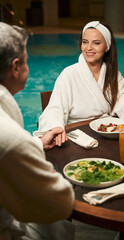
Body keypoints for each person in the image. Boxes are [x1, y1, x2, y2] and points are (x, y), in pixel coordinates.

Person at [0, 22, 75, 239]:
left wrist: (37, 144)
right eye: (26, 61)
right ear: (15, 67)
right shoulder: (10, 138)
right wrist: (51, 173)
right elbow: (60, 204)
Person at [35, 21, 124, 146]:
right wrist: (56, 127)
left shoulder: (113, 75)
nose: (89, 47)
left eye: (96, 43)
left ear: (107, 47)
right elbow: (54, 109)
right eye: (85, 42)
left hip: (106, 136)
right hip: (76, 138)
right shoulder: (69, 74)